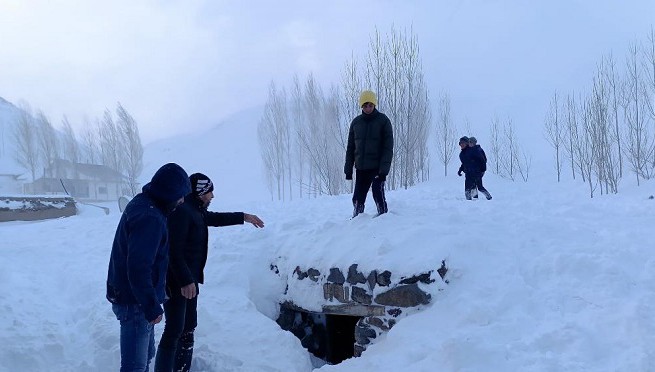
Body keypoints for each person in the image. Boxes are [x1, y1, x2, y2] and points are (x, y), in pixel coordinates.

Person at [154, 172, 265, 372]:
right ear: (200, 192)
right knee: (174, 331)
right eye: (209, 192)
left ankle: (181, 368)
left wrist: (244, 217)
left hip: (189, 281)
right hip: (177, 281)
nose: (212, 196)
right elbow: (173, 251)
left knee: (188, 329)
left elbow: (214, 218)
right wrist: (186, 280)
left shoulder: (195, 210)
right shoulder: (181, 212)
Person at [106, 162, 191, 372]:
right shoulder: (149, 217)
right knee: (135, 366)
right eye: (180, 196)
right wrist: (151, 306)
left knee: (144, 359)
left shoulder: (146, 204)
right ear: (169, 192)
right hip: (135, 302)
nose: (182, 201)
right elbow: (138, 267)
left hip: (135, 298)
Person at [344, 90, 394, 218]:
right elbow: (351, 148)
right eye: (365, 105)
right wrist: (348, 169)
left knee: (378, 193)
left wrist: (383, 171)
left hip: (377, 168)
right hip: (361, 168)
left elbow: (388, 148)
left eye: (370, 105)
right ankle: (356, 220)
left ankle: (384, 217)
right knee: (357, 198)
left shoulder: (383, 121)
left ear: (374, 105)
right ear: (361, 106)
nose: (367, 108)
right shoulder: (356, 123)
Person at [457, 136, 491, 200]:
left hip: (476, 172)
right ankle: (470, 202)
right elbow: (464, 163)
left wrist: (483, 170)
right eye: (460, 143)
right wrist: (460, 170)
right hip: (468, 173)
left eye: (463, 143)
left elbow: (482, 160)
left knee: (480, 187)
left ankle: (489, 197)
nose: (461, 144)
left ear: (467, 143)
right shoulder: (462, 154)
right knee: (467, 189)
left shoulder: (474, 150)